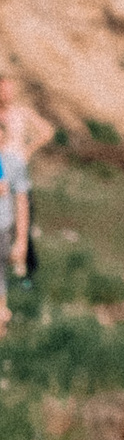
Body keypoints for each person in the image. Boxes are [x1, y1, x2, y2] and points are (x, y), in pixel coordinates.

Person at [0, 70, 40, 330]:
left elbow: (22, 205)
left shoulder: (21, 113)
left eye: (10, 88)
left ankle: (24, 272)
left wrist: (25, 151)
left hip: (5, 220)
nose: (7, 93)